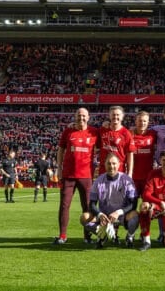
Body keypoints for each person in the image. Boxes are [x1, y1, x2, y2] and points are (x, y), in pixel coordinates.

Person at [54, 107, 98, 245]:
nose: (81, 118)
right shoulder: (68, 131)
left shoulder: (94, 132)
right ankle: (62, 236)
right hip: (68, 175)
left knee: (87, 207)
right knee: (64, 205)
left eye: (84, 116)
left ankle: (87, 236)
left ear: (88, 117)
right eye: (79, 115)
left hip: (86, 176)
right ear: (75, 116)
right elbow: (61, 150)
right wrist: (59, 168)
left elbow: (105, 147)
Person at [80, 153, 139, 249]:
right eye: (109, 163)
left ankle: (130, 236)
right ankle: (103, 235)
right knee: (84, 217)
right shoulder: (98, 181)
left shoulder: (126, 180)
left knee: (135, 215)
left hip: (121, 216)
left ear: (119, 164)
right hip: (105, 217)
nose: (111, 166)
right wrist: (100, 214)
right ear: (105, 164)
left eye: (114, 163)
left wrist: (118, 212)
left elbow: (134, 203)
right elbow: (92, 204)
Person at [98, 105, 135, 176]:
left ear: (122, 116)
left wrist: (130, 173)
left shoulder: (126, 134)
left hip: (119, 171)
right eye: (113, 114)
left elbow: (130, 155)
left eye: (118, 115)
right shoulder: (102, 130)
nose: (115, 117)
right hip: (103, 171)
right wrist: (74, 124)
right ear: (109, 116)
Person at [131, 111, 157, 204]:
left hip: (148, 178)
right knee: (131, 206)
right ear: (135, 121)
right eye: (140, 121)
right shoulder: (129, 134)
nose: (142, 123)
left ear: (148, 122)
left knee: (147, 207)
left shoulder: (153, 134)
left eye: (145, 121)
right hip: (133, 178)